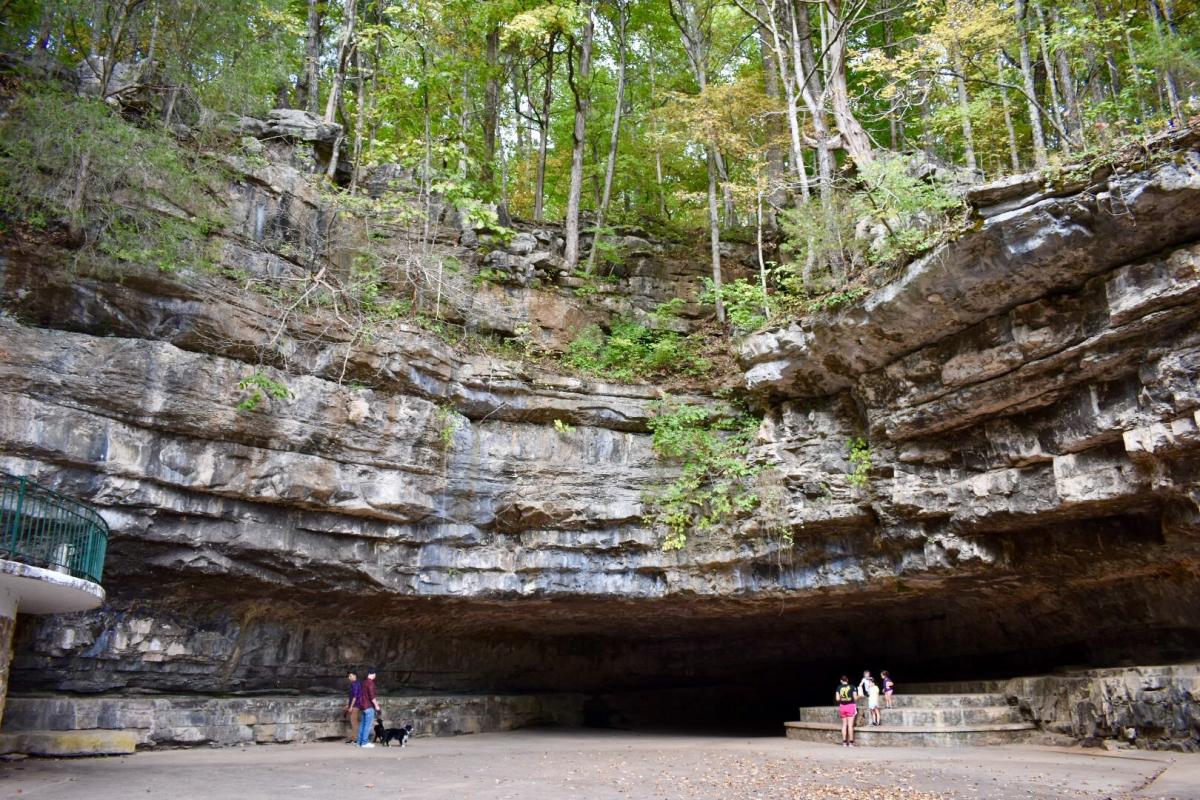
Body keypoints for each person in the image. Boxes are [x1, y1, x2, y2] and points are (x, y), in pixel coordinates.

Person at [356, 668, 381, 747]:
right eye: (375, 674)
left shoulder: (364, 682)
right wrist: (377, 706)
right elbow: (372, 696)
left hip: (363, 707)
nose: (375, 676)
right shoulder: (370, 683)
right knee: (368, 725)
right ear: (373, 674)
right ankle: (364, 742)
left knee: (362, 724)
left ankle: (359, 742)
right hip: (369, 707)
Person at [835, 675, 857, 747]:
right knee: (850, 726)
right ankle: (851, 743)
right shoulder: (852, 687)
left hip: (842, 707)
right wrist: (859, 695)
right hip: (850, 706)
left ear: (841, 681)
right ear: (847, 680)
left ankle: (844, 742)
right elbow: (855, 698)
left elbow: (837, 699)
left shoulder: (838, 687)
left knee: (844, 725)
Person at [344, 670, 362, 744]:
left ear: (355, 676)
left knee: (354, 723)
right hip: (355, 705)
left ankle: (355, 739)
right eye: (348, 676)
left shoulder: (355, 684)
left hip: (355, 706)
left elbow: (355, 697)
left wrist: (351, 707)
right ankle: (354, 738)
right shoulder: (356, 683)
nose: (349, 677)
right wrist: (348, 705)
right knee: (354, 723)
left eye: (350, 676)